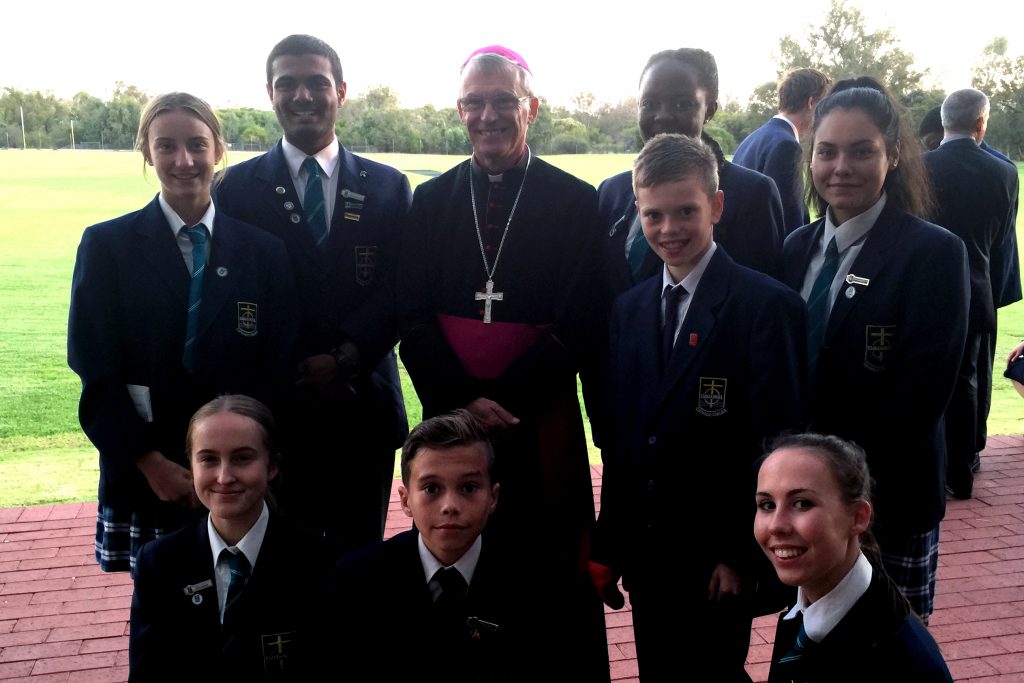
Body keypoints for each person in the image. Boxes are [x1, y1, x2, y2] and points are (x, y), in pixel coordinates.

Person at [397, 46, 609, 679]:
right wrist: (464, 399)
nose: (488, 114)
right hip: (451, 418)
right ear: (460, 110)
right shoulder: (429, 201)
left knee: (549, 565)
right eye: (474, 102)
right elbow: (411, 317)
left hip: (537, 420)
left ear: (531, 108)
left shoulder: (575, 202)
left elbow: (582, 320)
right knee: (455, 546)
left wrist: (504, 399)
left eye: (503, 101)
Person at [591, 133, 807, 681]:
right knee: (658, 672)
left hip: (714, 554)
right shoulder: (629, 309)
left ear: (716, 205)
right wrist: (611, 541)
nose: (669, 229)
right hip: (647, 551)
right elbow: (624, 436)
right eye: (653, 215)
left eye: (686, 210)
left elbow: (775, 443)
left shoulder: (765, 307)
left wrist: (740, 553)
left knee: (712, 673)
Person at [68, 92, 296, 574]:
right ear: (147, 153)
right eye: (166, 146)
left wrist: (240, 466)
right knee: (163, 614)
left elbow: (276, 370)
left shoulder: (264, 252)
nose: (183, 160)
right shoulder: (107, 247)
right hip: (149, 471)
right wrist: (150, 462)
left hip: (236, 477)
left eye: (196, 144)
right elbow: (95, 372)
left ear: (219, 148)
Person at [780, 84, 969, 622]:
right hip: (808, 506)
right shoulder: (796, 250)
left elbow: (920, 399)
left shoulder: (932, 253)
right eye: (827, 151)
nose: (842, 166)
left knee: (887, 655)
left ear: (894, 155)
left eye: (862, 151)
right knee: (815, 645)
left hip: (885, 502)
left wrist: (841, 499)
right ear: (810, 155)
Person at [216, 34, 411, 552]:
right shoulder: (235, 189)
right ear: (270, 93)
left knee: (359, 554)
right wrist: (294, 369)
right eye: (288, 84)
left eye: (317, 83)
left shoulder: (388, 185)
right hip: (277, 407)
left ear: (341, 91)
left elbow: (400, 288)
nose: (302, 96)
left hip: (362, 402)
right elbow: (235, 296)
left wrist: (346, 357)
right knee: (282, 560)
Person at [129, 395, 332, 681]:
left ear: (272, 466)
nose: (224, 477)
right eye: (209, 459)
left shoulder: (317, 560)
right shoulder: (160, 563)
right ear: (191, 465)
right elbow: (147, 672)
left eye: (242, 458)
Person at [337, 410, 525, 682]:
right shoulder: (355, 581)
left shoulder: (534, 581)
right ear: (405, 499)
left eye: (469, 488)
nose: (450, 506)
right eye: (432, 489)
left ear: (493, 497)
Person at [755, 433, 954, 682]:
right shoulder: (808, 606)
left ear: (858, 517)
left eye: (803, 503)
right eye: (767, 505)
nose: (776, 526)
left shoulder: (899, 663)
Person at [598, 47, 785, 293]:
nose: (663, 116)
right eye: (649, 103)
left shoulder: (752, 194)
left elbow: (760, 299)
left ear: (709, 110)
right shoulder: (612, 192)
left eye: (682, 103)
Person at [924, 88, 1021, 499]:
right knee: (965, 381)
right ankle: (960, 473)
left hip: (924, 292)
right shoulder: (1003, 173)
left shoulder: (919, 168)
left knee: (924, 379)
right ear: (981, 123)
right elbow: (1001, 240)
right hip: (975, 287)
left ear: (943, 122)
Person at [733, 68, 831, 235]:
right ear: (811, 102)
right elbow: (789, 220)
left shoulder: (752, 139)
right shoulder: (787, 146)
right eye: (826, 105)